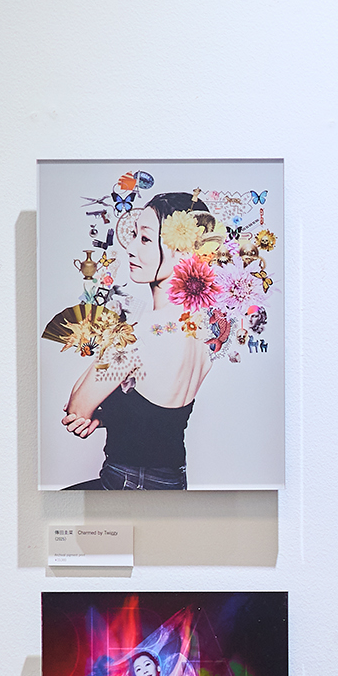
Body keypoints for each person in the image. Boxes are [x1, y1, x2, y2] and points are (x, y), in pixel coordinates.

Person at [59, 192, 229, 489]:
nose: (131, 248)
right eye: (134, 235)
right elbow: (158, 414)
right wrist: (108, 416)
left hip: (129, 483)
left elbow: (77, 406)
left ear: (183, 251)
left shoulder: (140, 334)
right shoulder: (206, 328)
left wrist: (116, 336)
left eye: (146, 239)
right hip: (173, 483)